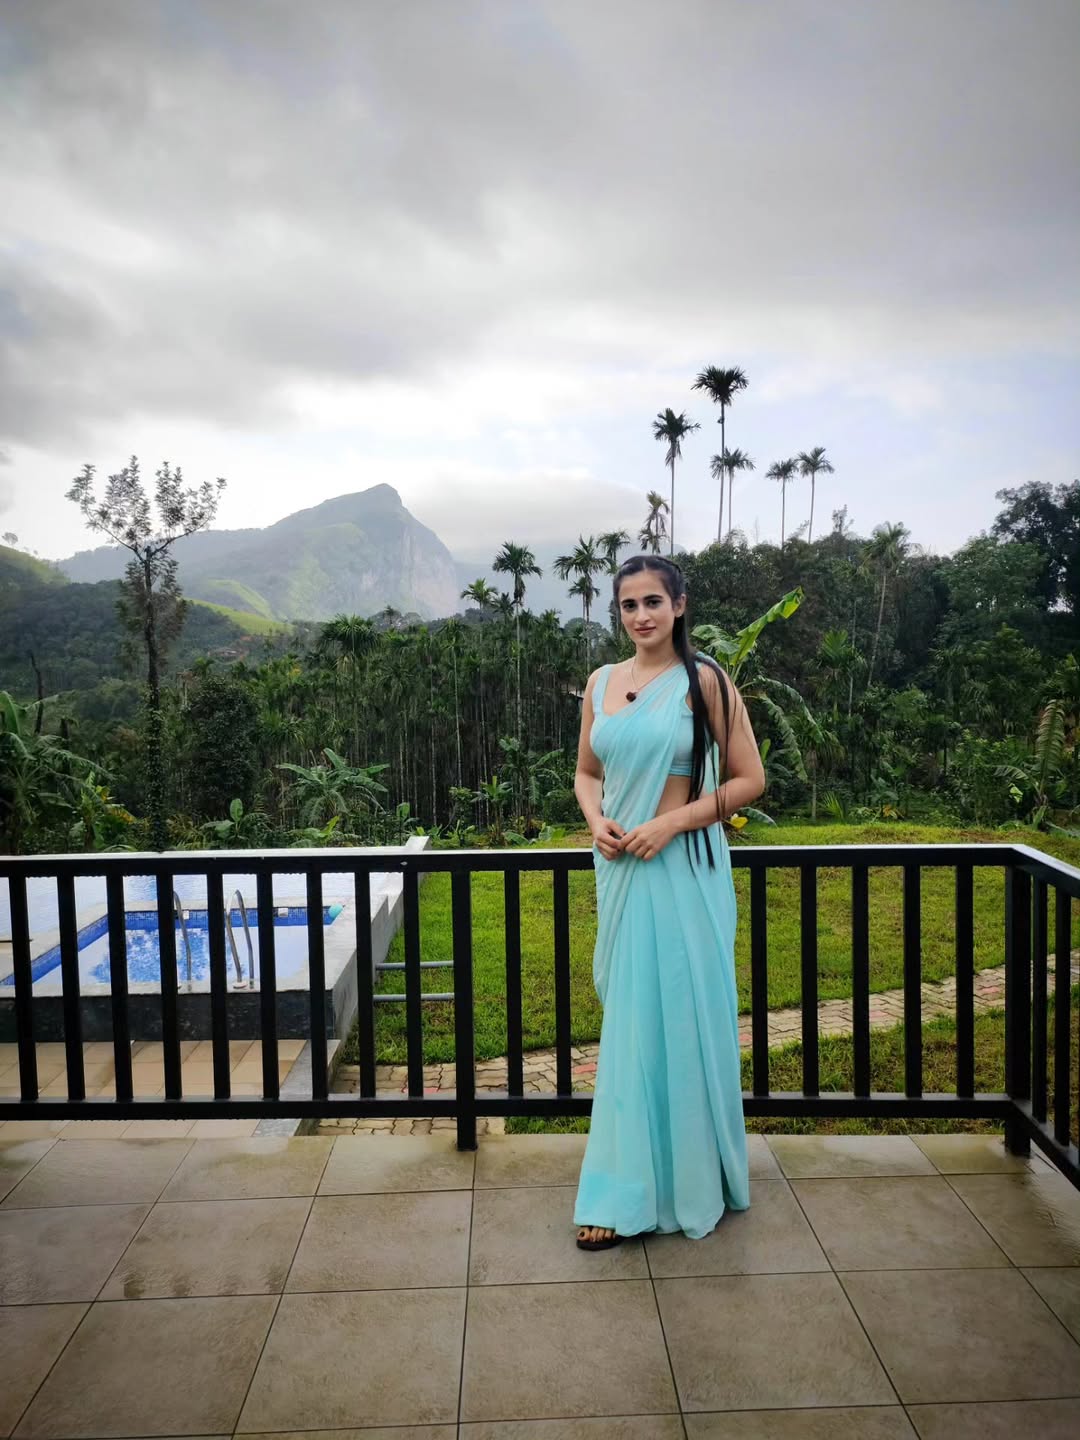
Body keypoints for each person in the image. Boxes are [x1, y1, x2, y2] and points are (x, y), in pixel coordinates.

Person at [572, 553, 766, 1247]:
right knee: (629, 1018)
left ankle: (647, 1188)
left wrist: (670, 823)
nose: (641, 616)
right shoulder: (600, 682)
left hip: (682, 872)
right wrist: (598, 823)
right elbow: (587, 773)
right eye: (629, 605)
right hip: (620, 870)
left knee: (675, 1021)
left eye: (654, 601)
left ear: (679, 605)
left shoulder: (704, 680)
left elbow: (749, 780)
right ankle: (639, 1175)